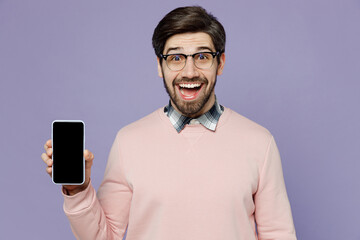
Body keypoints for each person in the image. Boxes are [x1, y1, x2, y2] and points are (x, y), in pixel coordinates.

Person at [41, 6, 297, 240]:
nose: (189, 72)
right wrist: (78, 190)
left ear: (220, 63)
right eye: (176, 58)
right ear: (159, 66)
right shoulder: (128, 141)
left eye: (202, 56)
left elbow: (278, 235)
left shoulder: (260, 143)